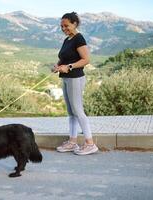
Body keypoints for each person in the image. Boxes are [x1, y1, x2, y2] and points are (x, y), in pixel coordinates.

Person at [53, 12, 98, 155]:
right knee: (71, 112)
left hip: (75, 78)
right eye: (61, 26)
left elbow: (86, 59)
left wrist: (69, 67)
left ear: (75, 24)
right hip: (66, 78)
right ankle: (72, 142)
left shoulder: (79, 38)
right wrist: (57, 65)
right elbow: (64, 58)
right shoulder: (68, 40)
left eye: (66, 25)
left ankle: (90, 144)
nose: (63, 28)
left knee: (78, 111)